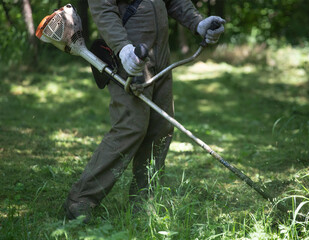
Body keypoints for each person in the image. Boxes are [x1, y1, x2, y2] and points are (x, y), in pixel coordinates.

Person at [64, 0, 225, 222]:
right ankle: (81, 200)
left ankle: (145, 201)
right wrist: (123, 49)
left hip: (161, 56)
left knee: (161, 128)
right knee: (130, 128)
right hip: (130, 56)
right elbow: (103, 8)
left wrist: (198, 23)